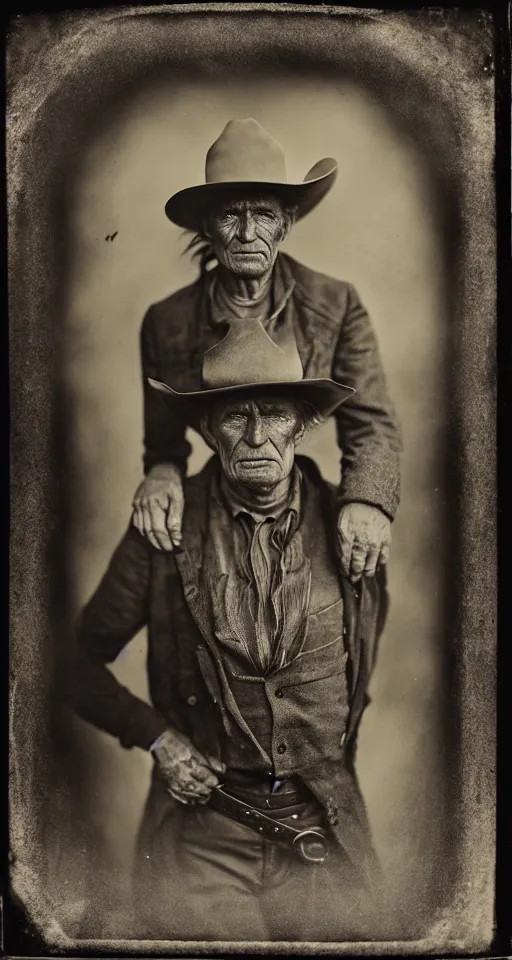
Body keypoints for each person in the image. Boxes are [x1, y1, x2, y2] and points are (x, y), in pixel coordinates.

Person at [61, 318, 390, 942]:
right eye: (237, 416)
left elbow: (360, 661)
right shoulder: (164, 531)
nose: (258, 435)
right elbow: (70, 665)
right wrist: (158, 738)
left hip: (322, 826)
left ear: (305, 422)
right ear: (209, 429)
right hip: (203, 837)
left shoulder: (353, 530)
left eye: (275, 413)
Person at [132, 118, 401, 584]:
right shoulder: (166, 322)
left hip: (299, 495)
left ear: (286, 224)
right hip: (219, 498)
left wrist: (367, 500)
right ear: (206, 226)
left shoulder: (336, 305)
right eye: (230, 214)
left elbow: (371, 422)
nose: (247, 232)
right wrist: (160, 472)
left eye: (264, 214)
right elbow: (164, 442)